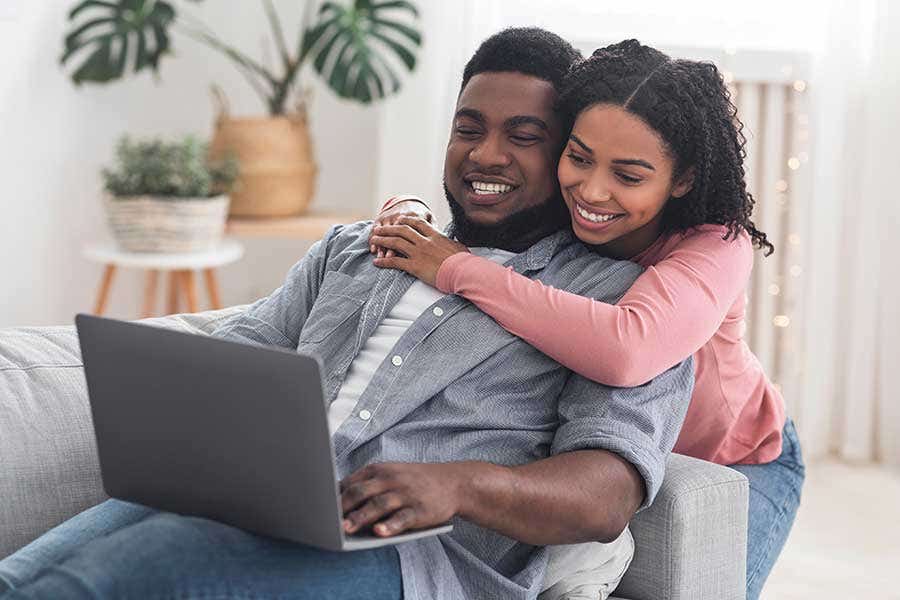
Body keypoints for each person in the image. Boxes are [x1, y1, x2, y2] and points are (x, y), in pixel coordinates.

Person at [0, 30, 694, 600]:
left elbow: (606, 495)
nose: (487, 154)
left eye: (524, 135)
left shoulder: (618, 302)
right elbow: (244, 352)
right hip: (248, 503)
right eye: (468, 128)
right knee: (25, 576)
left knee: (106, 580)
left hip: (413, 561)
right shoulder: (356, 249)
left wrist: (458, 484)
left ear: (568, 154)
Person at [370, 40, 805, 600]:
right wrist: (405, 208)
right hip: (610, 446)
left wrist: (457, 267)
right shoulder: (568, 212)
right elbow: (483, 194)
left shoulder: (716, 245)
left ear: (683, 179)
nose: (591, 190)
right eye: (578, 158)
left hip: (734, 456)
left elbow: (629, 348)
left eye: (628, 175)